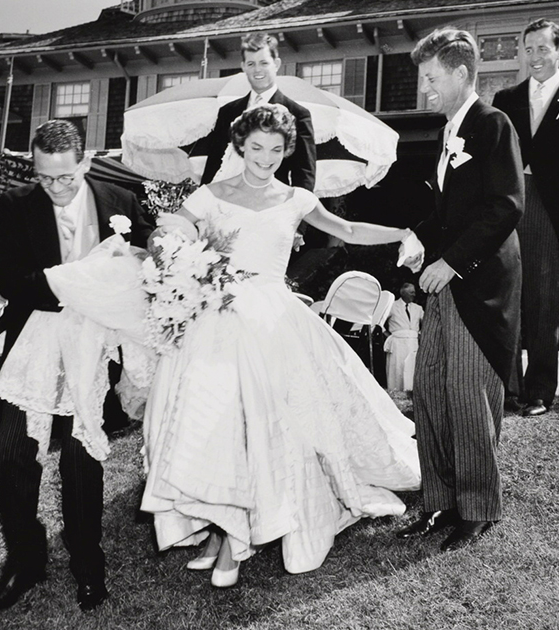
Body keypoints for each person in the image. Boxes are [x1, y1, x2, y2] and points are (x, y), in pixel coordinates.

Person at [140, 104, 421, 588]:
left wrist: (404, 232)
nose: (265, 158)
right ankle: (217, 526)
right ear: (239, 147)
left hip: (272, 322)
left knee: (259, 425)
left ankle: (235, 538)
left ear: (287, 150)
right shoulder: (210, 195)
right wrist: (164, 244)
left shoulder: (296, 198)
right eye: (255, 149)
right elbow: (170, 231)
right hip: (217, 316)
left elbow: (348, 231)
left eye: (275, 149)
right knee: (213, 423)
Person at [0, 119, 153, 613]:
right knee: (12, 452)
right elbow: (5, 273)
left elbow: (146, 262)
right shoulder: (16, 204)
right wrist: (71, 288)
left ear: (86, 163)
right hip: (34, 340)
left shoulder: (121, 201)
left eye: (65, 178)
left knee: (81, 460)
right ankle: (25, 561)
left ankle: (87, 564)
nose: (54, 188)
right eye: (44, 177)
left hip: (97, 349)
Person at [396, 28, 523, 552]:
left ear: (460, 74)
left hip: (481, 283)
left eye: (431, 77)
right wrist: (416, 238)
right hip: (445, 280)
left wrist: (449, 261)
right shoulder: (451, 130)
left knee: (468, 394)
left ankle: (478, 507)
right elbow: (449, 212)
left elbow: (506, 205)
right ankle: (440, 501)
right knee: (429, 389)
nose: (424, 87)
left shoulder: (493, 124)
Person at [492, 18, 559, 417]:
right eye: (529, 48)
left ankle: (538, 392)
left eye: (543, 48)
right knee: (505, 298)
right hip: (508, 206)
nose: (535, 56)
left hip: (551, 214)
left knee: (544, 303)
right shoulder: (505, 99)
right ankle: (505, 388)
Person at [200, 32, 316, 192]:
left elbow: (304, 176)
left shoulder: (298, 114)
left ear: (276, 64)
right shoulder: (227, 112)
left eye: (263, 63)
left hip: (271, 207)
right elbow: (213, 166)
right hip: (227, 204)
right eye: (251, 64)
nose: (257, 70)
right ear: (243, 66)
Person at [384, 282, 423, 391]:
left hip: (413, 343)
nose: (414, 295)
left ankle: (412, 393)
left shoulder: (418, 308)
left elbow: (428, 322)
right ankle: (396, 392)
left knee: (412, 367)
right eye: (411, 292)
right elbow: (378, 321)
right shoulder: (392, 306)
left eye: (414, 292)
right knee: (398, 368)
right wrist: (385, 333)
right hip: (398, 342)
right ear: (403, 293)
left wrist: (421, 334)